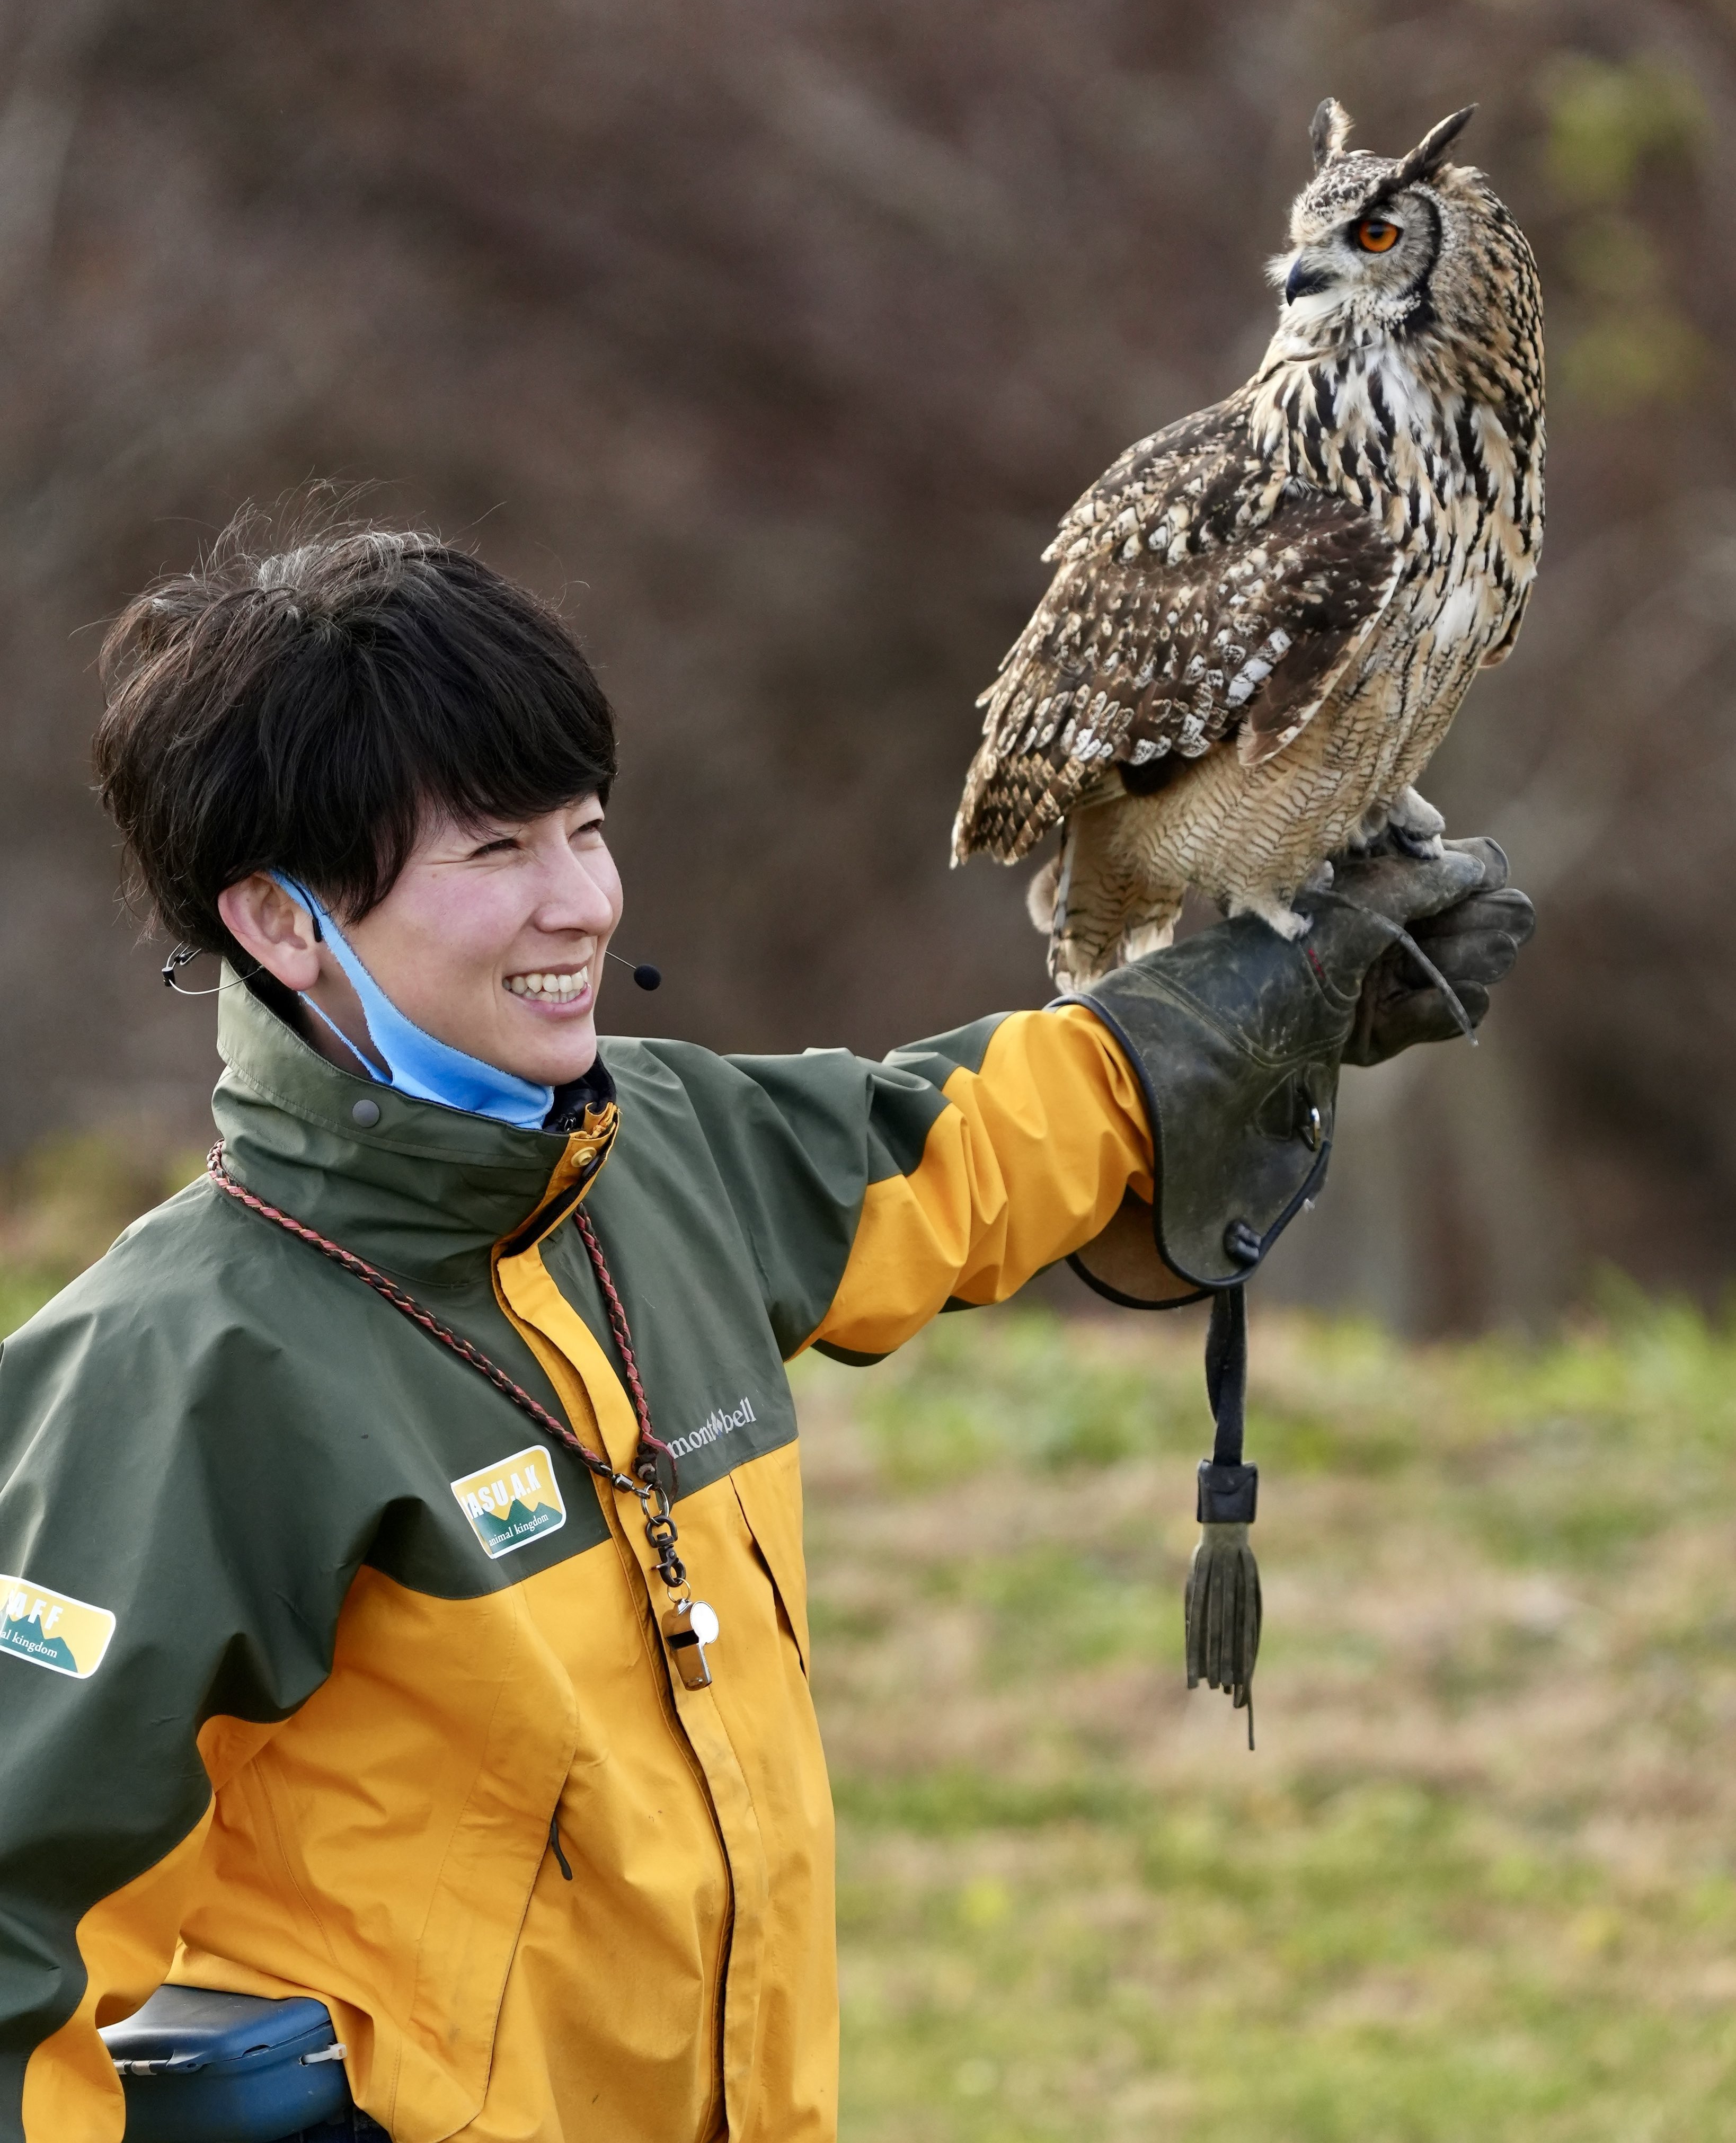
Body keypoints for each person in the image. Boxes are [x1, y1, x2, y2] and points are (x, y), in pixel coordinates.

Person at [0, 522, 1532, 2143]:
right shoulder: (177, 1373)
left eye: (585, 830)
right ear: (282, 923)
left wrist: (1251, 996)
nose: (579, 901)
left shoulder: (659, 1154)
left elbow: (956, 1152)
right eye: (496, 853)